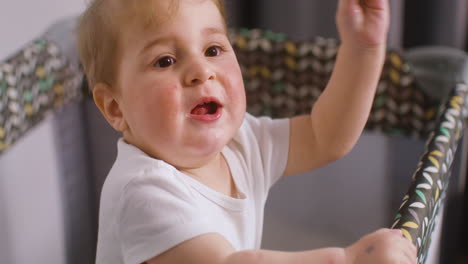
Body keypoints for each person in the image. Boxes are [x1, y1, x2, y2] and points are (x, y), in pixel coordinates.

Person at [77, 0, 417, 263]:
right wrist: (347, 260)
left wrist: (363, 50)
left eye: (213, 50)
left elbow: (322, 135)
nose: (201, 70)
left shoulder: (241, 142)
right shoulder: (143, 192)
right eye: (165, 60)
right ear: (115, 108)